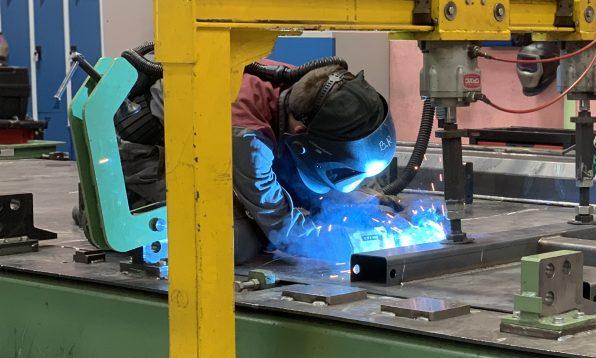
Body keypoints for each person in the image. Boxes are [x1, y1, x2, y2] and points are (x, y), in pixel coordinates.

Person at [113, 58, 398, 264]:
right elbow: (284, 230)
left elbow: (311, 182)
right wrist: (348, 242)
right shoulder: (248, 141)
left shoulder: (302, 90)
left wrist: (367, 206)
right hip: (143, 155)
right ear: (301, 133)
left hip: (203, 145)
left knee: (296, 193)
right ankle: (120, 209)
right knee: (241, 240)